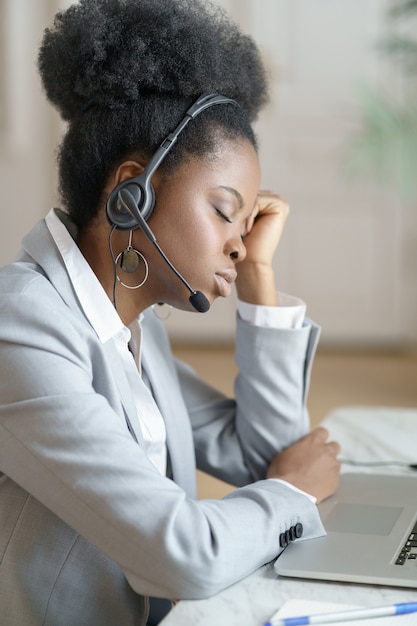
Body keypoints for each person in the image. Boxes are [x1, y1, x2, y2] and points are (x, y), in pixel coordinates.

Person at [0, 1, 341, 624]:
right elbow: (181, 554)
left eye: (245, 223)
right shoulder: (20, 329)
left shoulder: (130, 330)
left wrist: (259, 279)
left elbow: (261, 454)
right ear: (133, 190)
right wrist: (294, 493)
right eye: (223, 211)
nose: (239, 243)